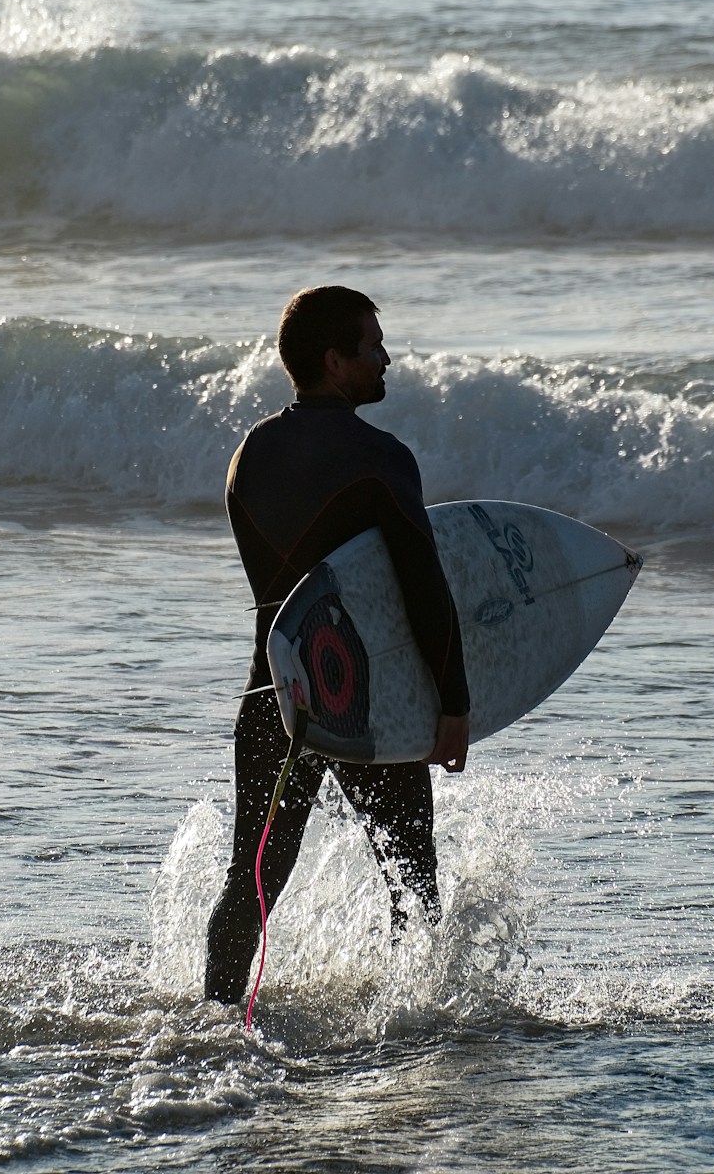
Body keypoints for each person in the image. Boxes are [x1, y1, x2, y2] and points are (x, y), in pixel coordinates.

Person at [204, 285, 471, 1006]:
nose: (386, 358)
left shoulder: (249, 454)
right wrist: (453, 705)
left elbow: (283, 588)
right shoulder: (379, 457)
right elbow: (422, 586)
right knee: (412, 880)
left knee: (252, 883)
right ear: (334, 360)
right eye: (372, 345)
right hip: (368, 701)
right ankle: (413, 1031)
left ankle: (216, 1028)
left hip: (273, 695)